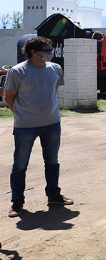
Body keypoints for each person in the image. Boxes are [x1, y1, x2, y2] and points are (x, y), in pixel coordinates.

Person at [5, 36, 73, 218]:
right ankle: (17, 202)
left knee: (52, 162)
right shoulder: (18, 71)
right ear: (34, 52)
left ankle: (54, 196)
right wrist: (21, 113)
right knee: (20, 165)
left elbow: (53, 91)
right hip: (25, 126)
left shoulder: (55, 69)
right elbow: (9, 96)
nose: (51, 53)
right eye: (47, 50)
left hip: (52, 123)